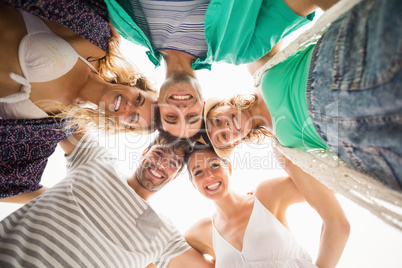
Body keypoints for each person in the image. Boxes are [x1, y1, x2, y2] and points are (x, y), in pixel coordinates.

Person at [202, 0, 402, 192]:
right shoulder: (283, 150)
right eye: (223, 136)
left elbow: (283, 15)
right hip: (348, 129)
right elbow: (330, 182)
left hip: (334, 68)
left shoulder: (256, 67)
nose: (225, 125)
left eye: (218, 119)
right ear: (236, 142)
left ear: (224, 103)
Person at [103, 0, 331, 138]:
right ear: (202, 103)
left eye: (171, 116)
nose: (181, 108)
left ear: (158, 102)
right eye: (191, 116)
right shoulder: (242, 48)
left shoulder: (125, 26)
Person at [0, 128, 214, 268]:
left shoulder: (164, 234)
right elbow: (62, 117)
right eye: (159, 153)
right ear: (144, 152)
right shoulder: (98, 159)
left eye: (173, 163)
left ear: (176, 176)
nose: (161, 164)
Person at [0, 2, 158, 133]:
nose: (129, 106)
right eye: (139, 99)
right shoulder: (98, 42)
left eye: (133, 117)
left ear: (121, 125)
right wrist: (114, 19)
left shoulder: (58, 126)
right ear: (135, 85)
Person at [185, 146, 349, 267]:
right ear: (193, 184)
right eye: (198, 172)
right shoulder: (201, 232)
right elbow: (163, 257)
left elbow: (330, 184)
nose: (209, 176)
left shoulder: (266, 196)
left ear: (229, 168)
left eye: (214, 165)